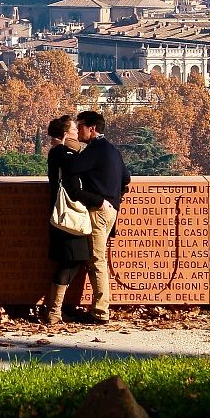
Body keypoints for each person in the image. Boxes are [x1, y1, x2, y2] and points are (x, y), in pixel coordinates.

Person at [62, 110, 130, 324]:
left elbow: (72, 167)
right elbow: (126, 178)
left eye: (80, 125)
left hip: (99, 210)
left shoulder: (95, 149)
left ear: (92, 128)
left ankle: (101, 312)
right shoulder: (111, 149)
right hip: (111, 210)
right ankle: (99, 310)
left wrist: (66, 146)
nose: (78, 129)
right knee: (97, 259)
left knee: (97, 261)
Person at [44, 115, 102, 326]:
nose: (78, 132)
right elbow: (73, 184)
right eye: (74, 129)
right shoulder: (63, 153)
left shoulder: (61, 152)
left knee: (71, 260)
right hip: (67, 215)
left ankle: (57, 310)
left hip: (62, 214)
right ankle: (54, 312)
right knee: (68, 260)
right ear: (66, 133)